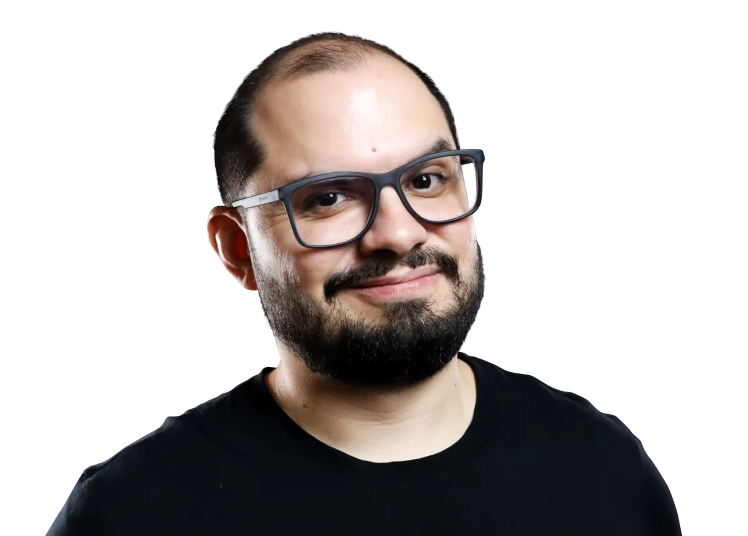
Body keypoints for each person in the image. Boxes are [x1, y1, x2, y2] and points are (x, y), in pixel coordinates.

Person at [48, 32, 681, 535]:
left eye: (427, 180)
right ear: (238, 250)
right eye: (327, 197)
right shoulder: (131, 515)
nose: (399, 234)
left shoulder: (604, 473)